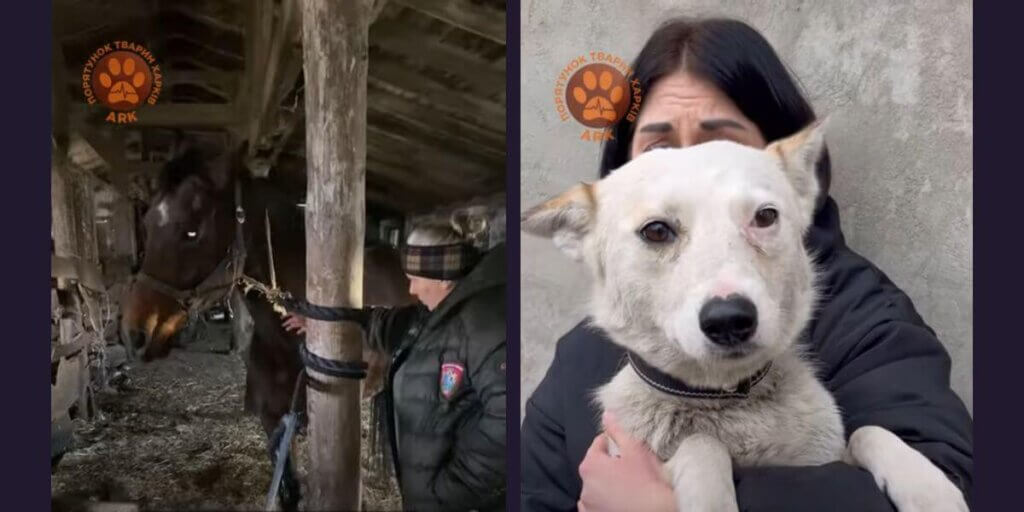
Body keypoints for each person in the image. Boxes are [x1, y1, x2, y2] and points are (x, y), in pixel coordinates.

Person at [520, 17, 973, 512]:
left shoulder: (866, 318)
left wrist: (667, 504)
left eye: (725, 143)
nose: (696, 169)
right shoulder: (576, 359)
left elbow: (955, 478)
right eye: (661, 148)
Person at [283, 224, 507, 511]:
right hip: (430, 490)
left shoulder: (485, 324)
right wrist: (322, 321)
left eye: (415, 280)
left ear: (443, 279)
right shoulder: (438, 312)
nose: (411, 290)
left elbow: (506, 420)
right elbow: (385, 323)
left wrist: (455, 485)